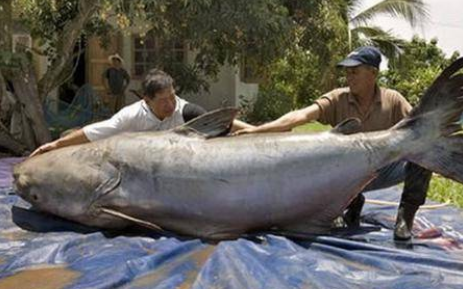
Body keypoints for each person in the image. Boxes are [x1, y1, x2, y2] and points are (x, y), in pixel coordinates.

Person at [235, 46, 432, 240]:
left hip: (382, 169)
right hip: (343, 176)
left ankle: (405, 218)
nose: (349, 77)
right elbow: (301, 115)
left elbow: (419, 128)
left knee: (424, 153)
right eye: (347, 73)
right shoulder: (338, 98)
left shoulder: (393, 100)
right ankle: (349, 203)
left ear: (373, 73)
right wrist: (256, 130)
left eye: (355, 72)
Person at [31, 69, 253, 157]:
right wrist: (55, 146)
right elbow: (92, 132)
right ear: (146, 100)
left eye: (172, 96)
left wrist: (260, 130)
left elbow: (224, 123)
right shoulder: (130, 116)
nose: (170, 104)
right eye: (163, 100)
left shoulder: (185, 110)